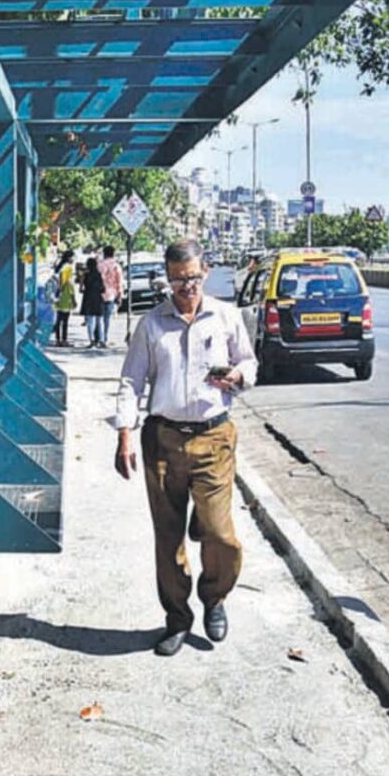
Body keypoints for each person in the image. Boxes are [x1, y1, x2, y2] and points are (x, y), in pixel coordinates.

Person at [113, 240, 257, 657]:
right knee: (168, 536)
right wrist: (125, 432)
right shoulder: (152, 324)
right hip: (163, 440)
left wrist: (237, 376)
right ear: (167, 279)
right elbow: (131, 382)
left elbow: (249, 362)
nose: (187, 287)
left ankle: (215, 597)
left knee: (219, 534)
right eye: (178, 281)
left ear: (205, 272)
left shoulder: (226, 317)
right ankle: (177, 618)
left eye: (193, 278)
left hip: (214, 438)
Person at [97, 246, 124, 347]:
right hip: (111, 294)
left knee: (99, 317)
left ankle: (99, 337)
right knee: (106, 318)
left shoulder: (100, 265)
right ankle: (105, 338)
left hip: (99, 294)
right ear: (113, 253)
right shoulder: (116, 266)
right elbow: (119, 282)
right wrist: (120, 295)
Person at [79, 256, 106, 347]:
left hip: (88, 298)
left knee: (90, 321)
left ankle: (92, 340)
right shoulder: (99, 274)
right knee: (100, 320)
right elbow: (103, 288)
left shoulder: (84, 275)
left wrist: (85, 290)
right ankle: (102, 340)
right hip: (98, 298)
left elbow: (80, 288)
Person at [53, 255, 76, 347]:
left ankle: (58, 340)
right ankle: (64, 340)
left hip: (58, 297)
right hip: (66, 299)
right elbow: (71, 288)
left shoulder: (60, 268)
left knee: (58, 320)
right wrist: (74, 300)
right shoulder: (68, 268)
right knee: (65, 321)